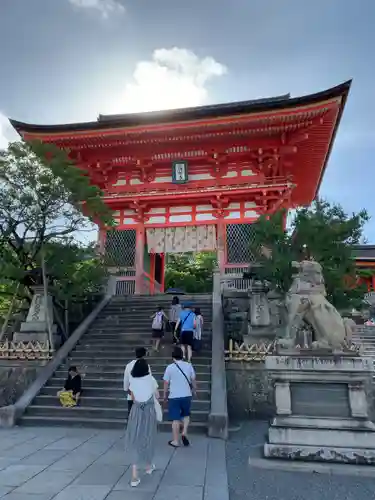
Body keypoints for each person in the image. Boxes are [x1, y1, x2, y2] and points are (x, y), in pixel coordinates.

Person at [124, 358, 159, 487]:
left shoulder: (133, 381)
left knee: (134, 439)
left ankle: (134, 476)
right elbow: (157, 395)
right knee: (148, 436)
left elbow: (133, 397)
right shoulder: (151, 380)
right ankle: (149, 466)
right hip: (149, 412)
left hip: (136, 411)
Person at [163, 346, 197, 448]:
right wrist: (195, 390)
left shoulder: (170, 367)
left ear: (173, 356)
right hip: (186, 395)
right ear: (182, 356)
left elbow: (166, 382)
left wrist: (164, 394)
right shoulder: (189, 366)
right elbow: (193, 380)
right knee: (186, 415)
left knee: (176, 419)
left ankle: (175, 441)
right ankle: (184, 431)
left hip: (174, 396)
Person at [123, 347, 150, 416]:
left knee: (132, 418)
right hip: (143, 397)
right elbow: (149, 381)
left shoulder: (129, 365)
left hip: (131, 395)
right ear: (144, 354)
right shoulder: (146, 366)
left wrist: (127, 389)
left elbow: (126, 381)